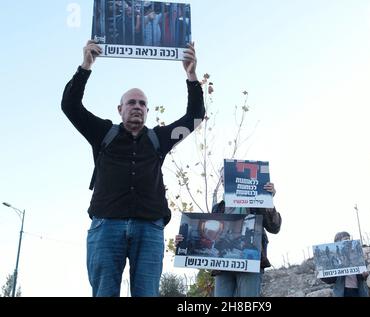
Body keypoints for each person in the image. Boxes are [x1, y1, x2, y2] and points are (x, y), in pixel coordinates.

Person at [61, 40, 204, 297]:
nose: (137, 106)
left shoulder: (160, 138)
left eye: (141, 103)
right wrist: (86, 65)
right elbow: (70, 106)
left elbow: (194, 117)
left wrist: (191, 75)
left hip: (149, 229)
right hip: (106, 227)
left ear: (147, 111)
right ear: (120, 109)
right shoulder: (103, 133)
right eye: (131, 103)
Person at [175, 172, 281, 297]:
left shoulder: (255, 201)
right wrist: (183, 241)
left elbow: (274, 227)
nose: (223, 178)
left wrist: (267, 200)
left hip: (250, 262)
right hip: (222, 266)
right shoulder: (218, 208)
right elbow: (207, 234)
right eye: (221, 176)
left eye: (227, 173)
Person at [321, 231, 369, 297]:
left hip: (358, 292)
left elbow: (363, 275)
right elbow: (331, 279)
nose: (348, 242)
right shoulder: (334, 259)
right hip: (343, 293)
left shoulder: (357, 255)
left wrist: (365, 275)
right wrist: (322, 274)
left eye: (349, 239)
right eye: (345, 240)